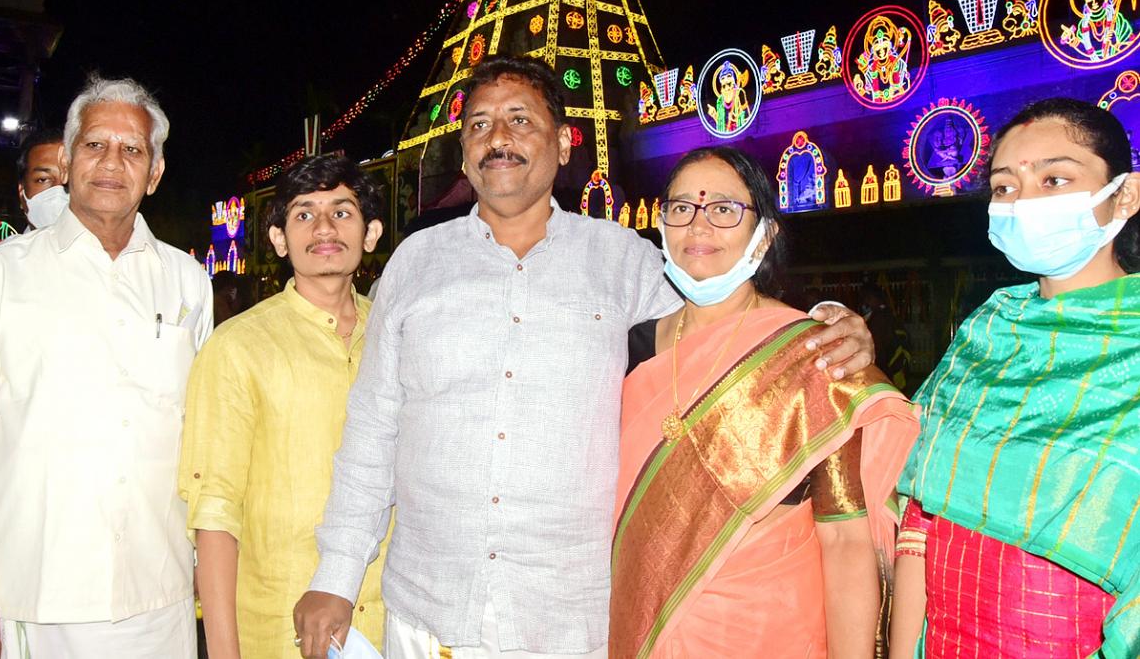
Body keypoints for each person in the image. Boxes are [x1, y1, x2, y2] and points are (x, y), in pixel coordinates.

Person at [294, 56, 877, 659]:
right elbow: (372, 431)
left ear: (566, 144)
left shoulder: (623, 262)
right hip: (427, 615)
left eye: (520, 120)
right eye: (479, 124)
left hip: (571, 624)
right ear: (464, 152)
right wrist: (335, 577)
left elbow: (729, 316)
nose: (497, 138)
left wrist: (828, 321)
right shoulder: (415, 263)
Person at [609, 147, 917, 658]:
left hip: (774, 634)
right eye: (681, 208)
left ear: (764, 236)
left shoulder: (814, 353)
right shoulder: (629, 350)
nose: (698, 226)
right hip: (649, 629)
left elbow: (845, 542)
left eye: (724, 209)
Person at [891, 98, 1140, 658]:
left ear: (1124, 194)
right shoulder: (988, 333)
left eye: (1055, 179)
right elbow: (920, 519)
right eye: (1005, 188)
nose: (1024, 202)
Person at [0, 75, 212, 659]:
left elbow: (201, 431)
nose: (112, 162)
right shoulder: (5, 275)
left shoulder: (187, 281)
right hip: (36, 595)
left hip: (160, 593)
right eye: (95, 145)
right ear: (65, 161)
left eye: (132, 149)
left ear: (156, 172)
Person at [180, 155, 392, 658]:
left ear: (371, 232)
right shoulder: (238, 347)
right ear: (278, 239)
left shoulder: (393, 335)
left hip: (388, 624)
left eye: (342, 212)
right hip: (278, 630)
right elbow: (215, 514)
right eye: (303, 214)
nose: (323, 227)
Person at [15, 128, 67, 231]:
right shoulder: (5, 248)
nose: (59, 193)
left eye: (71, 179)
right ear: (22, 193)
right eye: (43, 180)